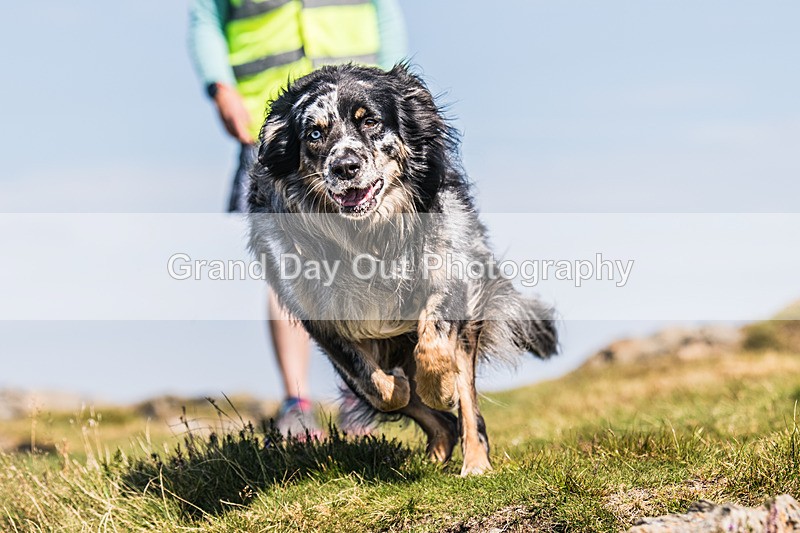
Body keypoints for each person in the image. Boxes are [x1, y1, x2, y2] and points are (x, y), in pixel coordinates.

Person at [188, 0, 407, 437]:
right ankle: (297, 402)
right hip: (276, 126)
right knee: (286, 266)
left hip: (355, 112)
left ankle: (358, 391)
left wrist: (390, 85)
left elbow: (386, 10)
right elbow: (205, 19)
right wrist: (220, 89)